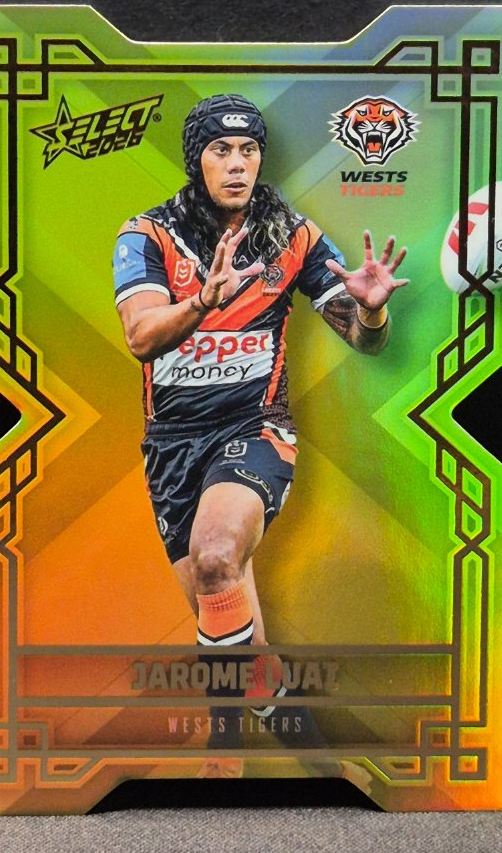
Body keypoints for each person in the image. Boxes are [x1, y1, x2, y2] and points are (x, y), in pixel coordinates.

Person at [112, 94, 408, 780]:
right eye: (221, 151)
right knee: (241, 647)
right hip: (172, 447)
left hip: (255, 430)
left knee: (217, 557)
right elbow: (141, 337)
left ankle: (224, 757)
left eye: (249, 151)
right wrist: (201, 302)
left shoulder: (291, 236)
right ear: (197, 160)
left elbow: (364, 339)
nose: (238, 164)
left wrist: (372, 313)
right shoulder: (147, 235)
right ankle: (321, 761)